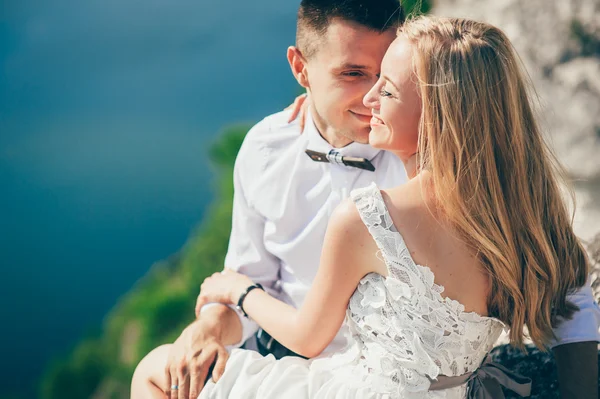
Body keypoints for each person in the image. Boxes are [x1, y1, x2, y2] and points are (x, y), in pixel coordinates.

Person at [131, 3, 600, 399]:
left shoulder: (410, 157)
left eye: (385, 78)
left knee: (147, 373)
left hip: (351, 373)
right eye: (353, 74)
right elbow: (249, 274)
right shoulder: (265, 149)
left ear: (435, 103)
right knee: (167, 371)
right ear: (302, 70)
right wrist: (210, 324)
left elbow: (566, 285)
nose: (370, 97)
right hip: (294, 354)